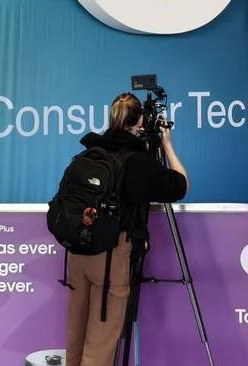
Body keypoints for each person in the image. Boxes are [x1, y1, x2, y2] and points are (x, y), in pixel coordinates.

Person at [65, 92, 188, 366]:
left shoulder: (90, 153)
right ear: (140, 121)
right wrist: (167, 145)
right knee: (100, 345)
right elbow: (180, 185)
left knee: (75, 337)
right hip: (110, 256)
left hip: (77, 253)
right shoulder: (137, 161)